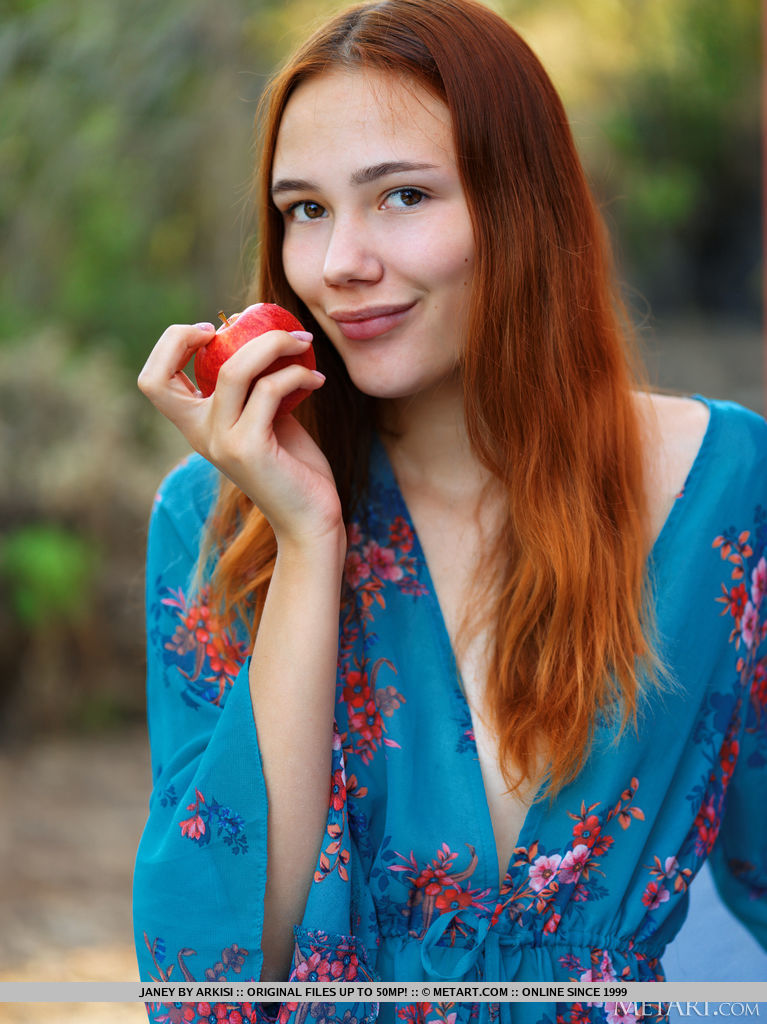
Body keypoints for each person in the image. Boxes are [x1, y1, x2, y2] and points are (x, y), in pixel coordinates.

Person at [133, 0, 767, 1021]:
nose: (338, 261)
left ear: (524, 202)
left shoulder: (730, 488)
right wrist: (306, 538)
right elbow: (215, 973)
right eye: (304, 209)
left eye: (400, 195)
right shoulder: (218, 520)